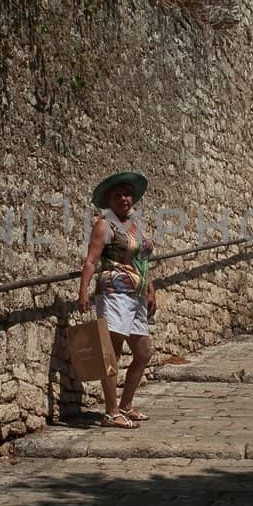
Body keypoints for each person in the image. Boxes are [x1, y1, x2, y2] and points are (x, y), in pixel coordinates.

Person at [77, 171, 158, 429]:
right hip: (115, 292)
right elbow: (91, 259)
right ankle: (111, 411)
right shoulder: (105, 225)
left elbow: (142, 260)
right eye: (118, 195)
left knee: (143, 352)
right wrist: (83, 291)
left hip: (136, 295)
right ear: (109, 200)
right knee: (110, 352)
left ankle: (125, 405)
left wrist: (151, 287)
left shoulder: (135, 224)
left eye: (127, 194)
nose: (124, 198)